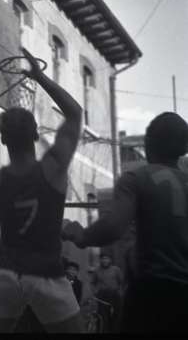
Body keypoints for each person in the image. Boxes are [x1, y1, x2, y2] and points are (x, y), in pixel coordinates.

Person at [0, 47, 83, 333]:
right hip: (46, 272)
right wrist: (40, 78)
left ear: (3, 140)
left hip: (6, 272)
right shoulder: (53, 167)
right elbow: (74, 114)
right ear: (36, 134)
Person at [62, 112, 188, 334]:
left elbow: (113, 227)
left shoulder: (137, 179)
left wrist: (81, 235)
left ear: (148, 143)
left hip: (151, 293)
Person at [90, 253, 122, 332]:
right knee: (103, 318)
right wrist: (95, 292)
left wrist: (120, 292)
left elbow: (121, 282)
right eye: (103, 258)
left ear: (110, 260)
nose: (105, 260)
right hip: (102, 297)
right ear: (100, 260)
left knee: (116, 316)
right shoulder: (97, 270)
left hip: (115, 296)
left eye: (107, 258)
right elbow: (92, 283)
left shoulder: (116, 269)